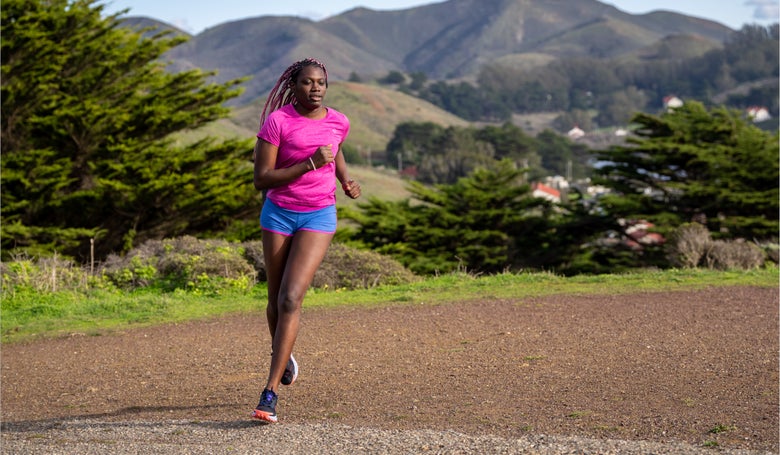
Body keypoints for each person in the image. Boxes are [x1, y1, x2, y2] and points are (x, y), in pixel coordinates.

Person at [251, 58, 361, 423]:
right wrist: (308, 165)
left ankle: (269, 393)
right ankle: (284, 353)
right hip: (278, 213)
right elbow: (262, 179)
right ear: (293, 86)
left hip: (318, 214)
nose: (316, 88)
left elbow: (336, 149)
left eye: (321, 83)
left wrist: (344, 180)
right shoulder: (278, 122)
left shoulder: (338, 120)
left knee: (291, 296)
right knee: (274, 298)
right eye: (308, 82)